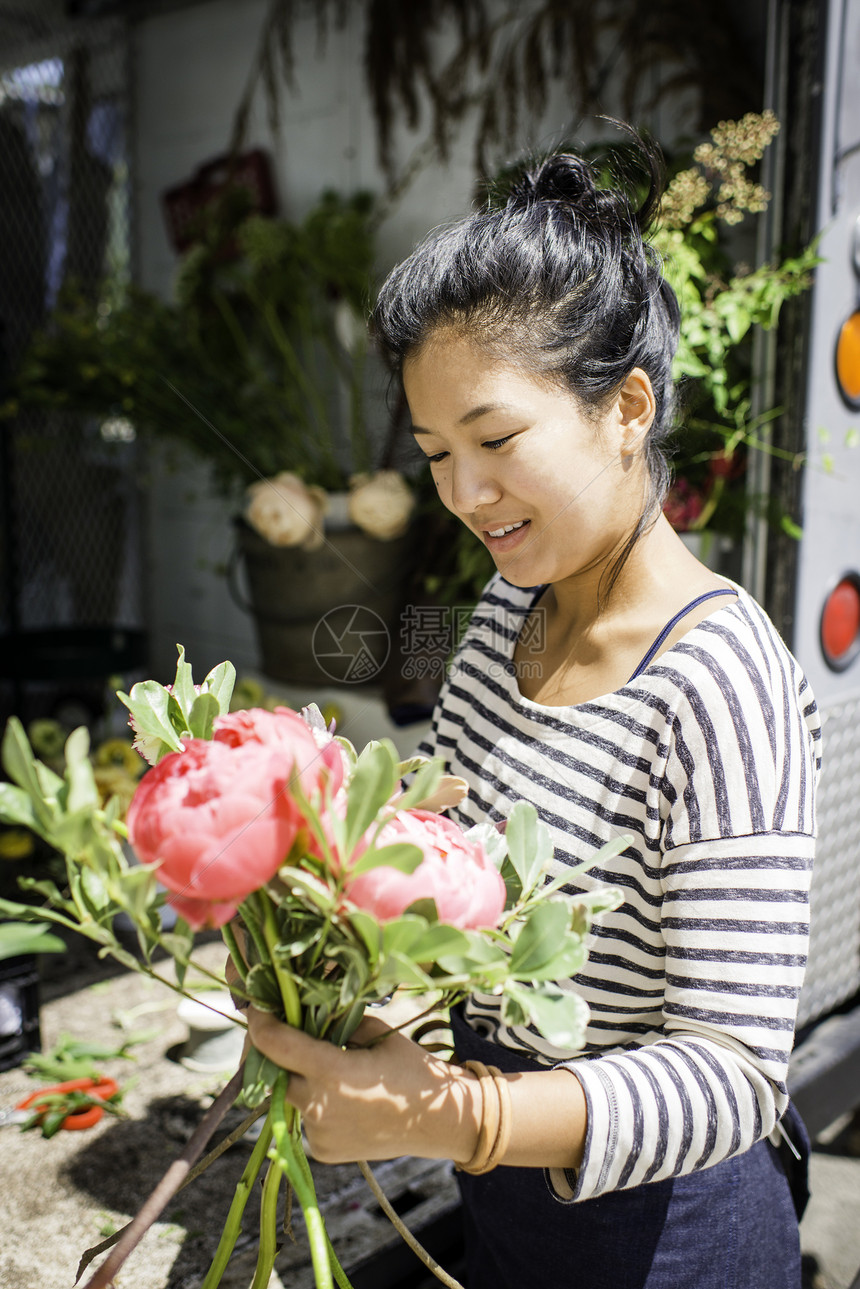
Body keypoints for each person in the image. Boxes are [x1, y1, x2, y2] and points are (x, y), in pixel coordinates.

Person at [247, 139, 822, 1289]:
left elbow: (729, 1075)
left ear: (627, 408)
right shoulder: (497, 625)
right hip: (511, 1218)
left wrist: (459, 1116)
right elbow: (443, 866)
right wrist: (307, 938)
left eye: (496, 440)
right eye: (434, 454)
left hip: (667, 1241)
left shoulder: (720, 679)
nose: (461, 494)